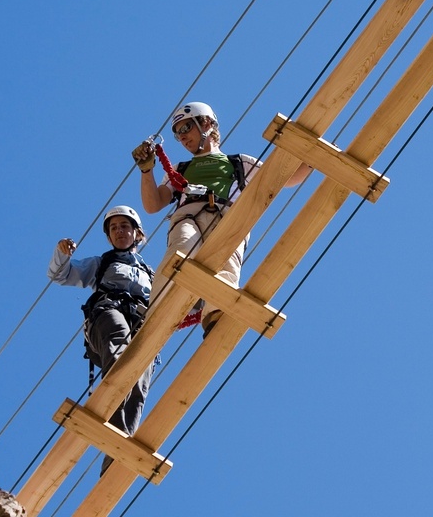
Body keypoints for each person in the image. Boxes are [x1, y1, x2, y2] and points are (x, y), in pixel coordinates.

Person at [131, 102, 310, 334]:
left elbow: (284, 178)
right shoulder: (179, 169)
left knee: (226, 266)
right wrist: (146, 170)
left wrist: (310, 160)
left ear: (206, 123)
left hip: (229, 218)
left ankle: (216, 315)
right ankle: (160, 306)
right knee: (181, 250)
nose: (182, 138)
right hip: (189, 216)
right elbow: (153, 204)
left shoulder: (239, 163)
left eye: (185, 128)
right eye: (177, 134)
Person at [47, 205, 156, 474]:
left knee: (140, 381)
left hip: (140, 324)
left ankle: (117, 451)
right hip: (107, 315)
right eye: (114, 228)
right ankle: (116, 393)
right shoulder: (102, 263)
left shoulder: (152, 273)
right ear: (109, 237)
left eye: (124, 226)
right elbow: (61, 275)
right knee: (120, 347)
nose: (119, 231)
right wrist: (62, 254)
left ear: (137, 233)